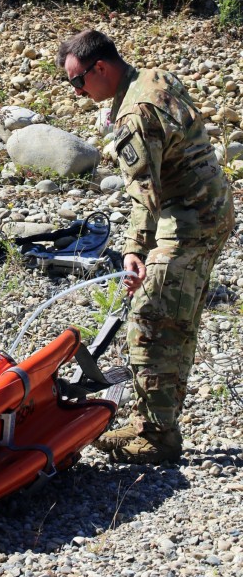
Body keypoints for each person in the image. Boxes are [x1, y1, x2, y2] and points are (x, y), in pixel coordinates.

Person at [57, 29, 234, 464]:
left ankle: (156, 439)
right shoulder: (153, 77)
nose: (78, 92)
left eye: (79, 81)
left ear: (101, 68)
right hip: (213, 206)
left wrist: (135, 249)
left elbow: (145, 195)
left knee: (151, 322)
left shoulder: (133, 116)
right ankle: (156, 423)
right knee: (177, 319)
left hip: (187, 219)